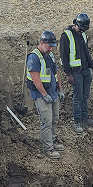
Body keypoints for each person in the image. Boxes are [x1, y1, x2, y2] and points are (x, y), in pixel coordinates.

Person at [26, 31, 65, 159]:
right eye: (49, 46)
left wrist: (60, 89)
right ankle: (48, 148)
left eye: (53, 46)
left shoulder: (50, 55)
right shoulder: (34, 57)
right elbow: (35, 78)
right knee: (46, 121)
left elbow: (55, 73)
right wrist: (44, 94)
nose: (51, 48)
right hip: (41, 95)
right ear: (42, 43)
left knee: (55, 119)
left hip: (52, 92)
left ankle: (52, 141)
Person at [60, 12, 93, 134]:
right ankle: (77, 121)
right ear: (75, 24)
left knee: (85, 96)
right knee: (77, 97)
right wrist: (68, 73)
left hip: (85, 70)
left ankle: (85, 118)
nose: (82, 31)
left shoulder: (83, 35)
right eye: (81, 29)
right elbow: (64, 56)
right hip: (75, 72)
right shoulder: (66, 36)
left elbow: (86, 52)